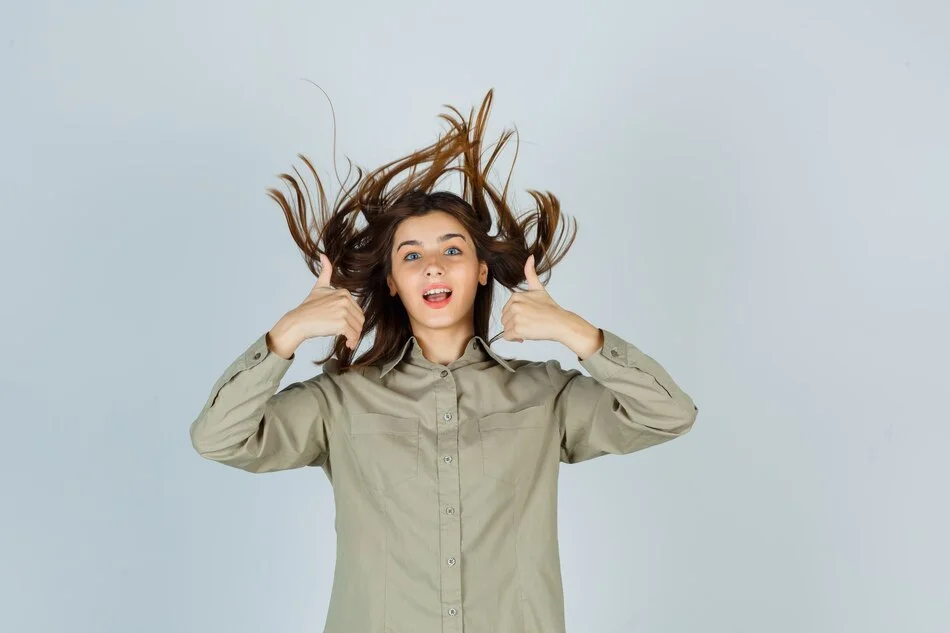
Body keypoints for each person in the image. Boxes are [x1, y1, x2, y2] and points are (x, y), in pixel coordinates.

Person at [189, 89, 699, 633]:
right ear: (392, 281)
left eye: (452, 250)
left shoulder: (546, 395)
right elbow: (218, 438)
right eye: (412, 256)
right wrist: (285, 333)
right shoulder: (340, 399)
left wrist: (576, 333)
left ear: (481, 271)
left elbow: (668, 414)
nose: (433, 266)